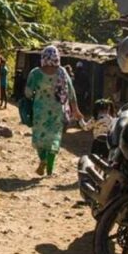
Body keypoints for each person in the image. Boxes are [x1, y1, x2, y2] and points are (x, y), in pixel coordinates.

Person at [24, 45, 83, 176]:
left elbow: (28, 93)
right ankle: (50, 170)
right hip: (57, 110)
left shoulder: (35, 73)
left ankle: (43, 160)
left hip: (40, 111)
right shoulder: (62, 72)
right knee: (54, 139)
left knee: (40, 137)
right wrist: (76, 110)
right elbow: (71, 92)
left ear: (43, 57)